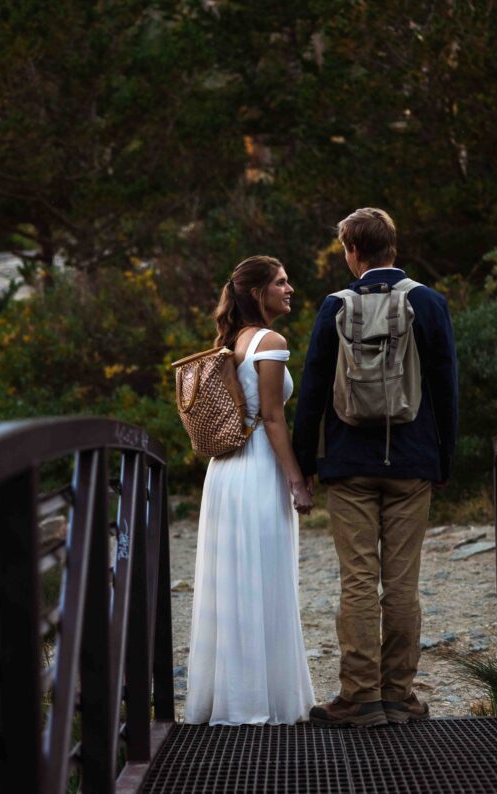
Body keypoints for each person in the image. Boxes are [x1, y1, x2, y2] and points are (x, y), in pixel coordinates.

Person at [293, 208, 458, 727]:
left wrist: (306, 464)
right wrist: (443, 460)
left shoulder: (334, 307)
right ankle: (400, 697)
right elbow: (446, 389)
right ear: (392, 248)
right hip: (411, 463)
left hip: (348, 464)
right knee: (402, 584)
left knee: (358, 582)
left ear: (353, 252)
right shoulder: (428, 303)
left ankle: (360, 699)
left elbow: (314, 391)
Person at [184, 255, 316, 726]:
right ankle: (260, 704)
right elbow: (274, 417)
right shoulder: (271, 341)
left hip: (224, 473)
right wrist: (297, 481)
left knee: (234, 582)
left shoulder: (234, 340)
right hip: (257, 466)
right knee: (263, 578)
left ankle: (233, 698)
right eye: (281, 282)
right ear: (258, 292)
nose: (290, 288)